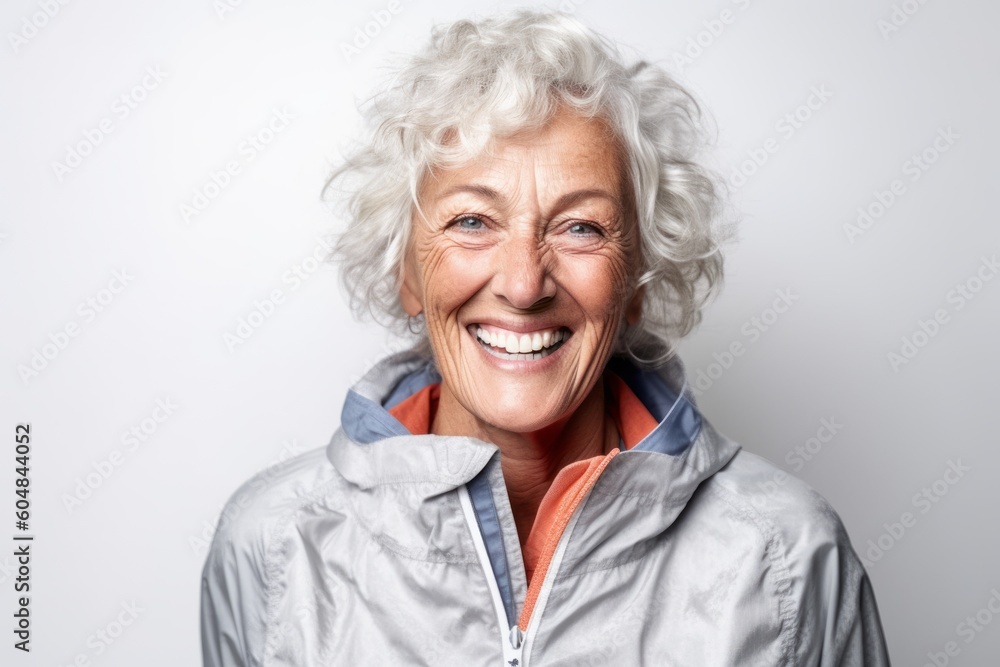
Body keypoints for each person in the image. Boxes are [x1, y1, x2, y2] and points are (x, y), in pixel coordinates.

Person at [201, 10, 890, 666]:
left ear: (638, 282)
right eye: (472, 221)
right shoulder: (273, 545)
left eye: (581, 227)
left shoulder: (788, 558)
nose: (524, 283)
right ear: (406, 270)